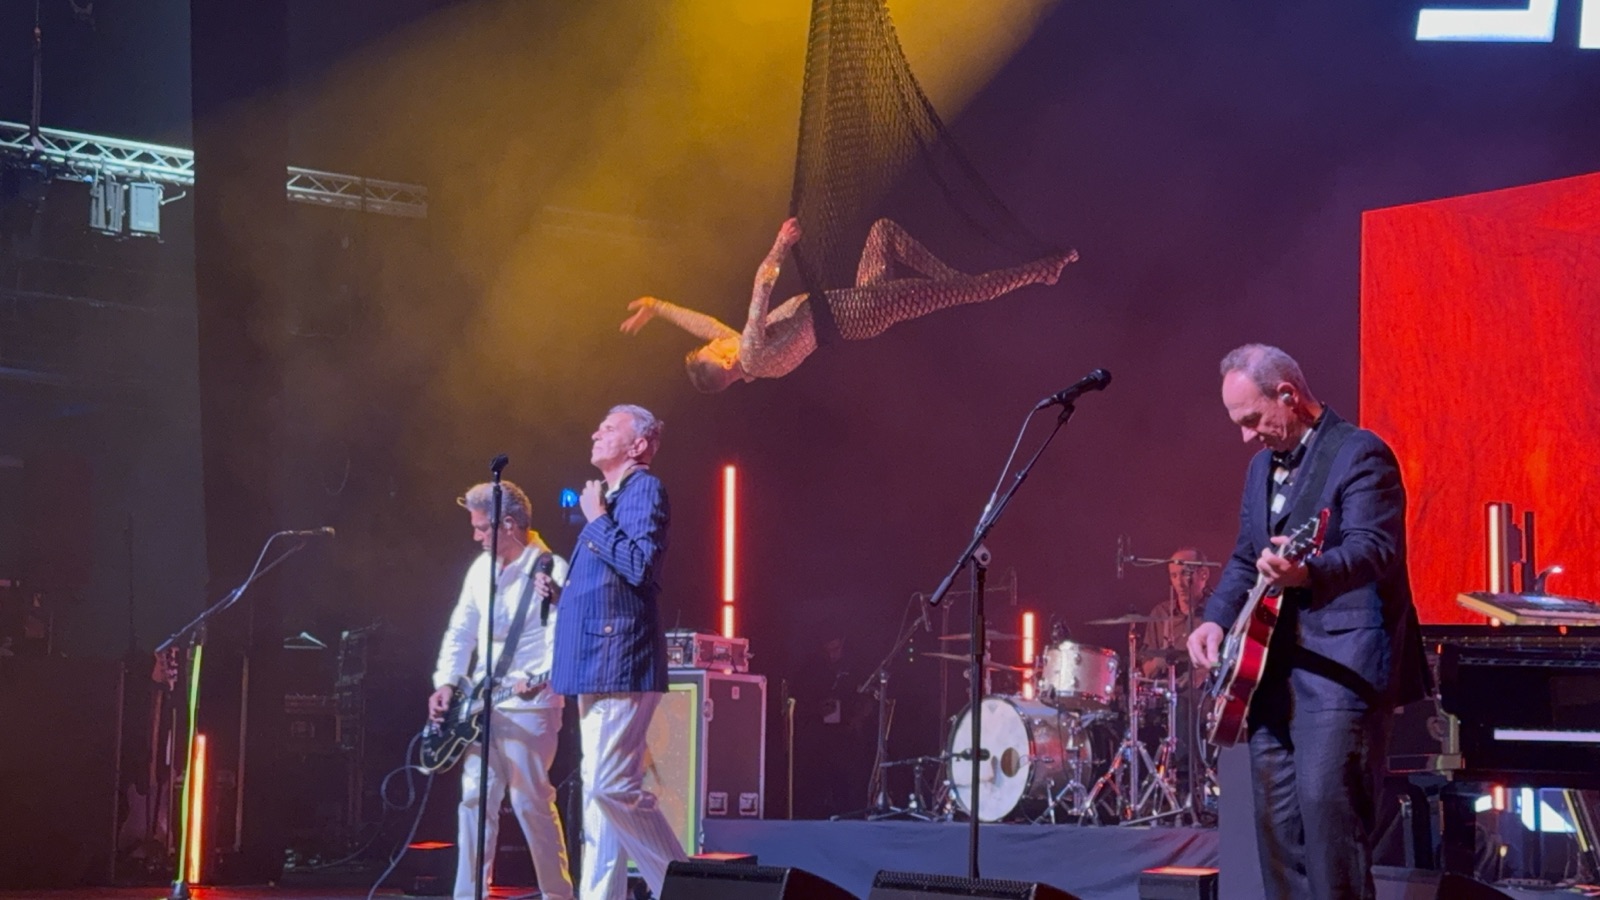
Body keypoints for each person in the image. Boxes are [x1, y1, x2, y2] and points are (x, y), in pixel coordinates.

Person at [1187, 344, 1427, 900]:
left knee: (1330, 833)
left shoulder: (1361, 453)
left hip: (1342, 671)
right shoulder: (1260, 467)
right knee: (1279, 841)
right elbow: (1246, 557)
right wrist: (1215, 620)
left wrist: (1307, 573)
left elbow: (1373, 549)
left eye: (1253, 419)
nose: (1246, 436)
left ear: (1288, 395)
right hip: (1271, 676)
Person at [620, 217, 1076, 392]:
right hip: (863, 312)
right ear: (723, 362)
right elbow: (761, 289)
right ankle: (1043, 271)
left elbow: (707, 325)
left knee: (883, 232)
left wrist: (659, 306)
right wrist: (780, 245)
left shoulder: (745, 355)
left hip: (857, 304)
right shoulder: (753, 353)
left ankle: (958, 282)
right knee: (970, 290)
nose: (717, 340)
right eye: (712, 348)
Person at [549, 405, 687, 900]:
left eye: (609, 428)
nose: (595, 432)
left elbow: (641, 567)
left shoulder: (643, 489)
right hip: (596, 657)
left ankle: (688, 889)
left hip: (618, 657)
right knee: (598, 795)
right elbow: (611, 582)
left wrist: (596, 519)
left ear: (638, 445)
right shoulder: (611, 498)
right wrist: (562, 598)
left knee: (611, 787)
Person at [429, 481, 575, 900]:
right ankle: (468, 894)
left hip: (531, 706)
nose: (476, 537)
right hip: (480, 705)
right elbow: (460, 630)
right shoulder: (480, 570)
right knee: (474, 800)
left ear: (508, 524)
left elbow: (562, 641)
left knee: (530, 801)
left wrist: (539, 678)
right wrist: (447, 681)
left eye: (481, 528)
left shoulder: (551, 568)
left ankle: (558, 895)